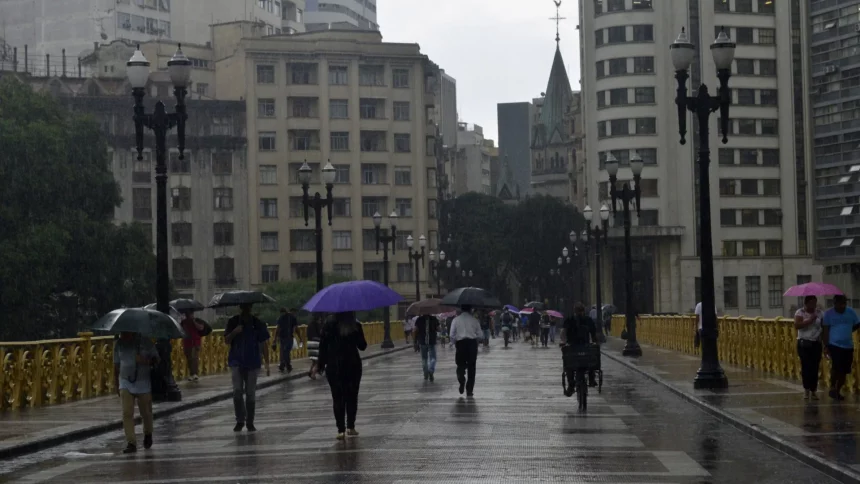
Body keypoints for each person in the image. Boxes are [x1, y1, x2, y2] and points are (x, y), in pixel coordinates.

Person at [312, 312, 367, 440]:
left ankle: (340, 430)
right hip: (352, 365)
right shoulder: (355, 325)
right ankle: (351, 427)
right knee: (352, 396)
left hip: (334, 366)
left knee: (337, 397)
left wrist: (319, 365)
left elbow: (323, 347)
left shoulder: (328, 326)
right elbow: (362, 346)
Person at [224, 304, 271, 432]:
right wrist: (235, 332)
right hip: (236, 361)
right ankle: (240, 419)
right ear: (240, 308)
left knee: (250, 394)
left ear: (251, 308)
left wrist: (267, 363)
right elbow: (226, 340)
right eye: (243, 307)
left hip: (253, 362)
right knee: (237, 392)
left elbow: (264, 342)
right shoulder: (233, 321)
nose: (246, 310)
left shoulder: (257, 323)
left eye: (248, 307)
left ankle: (250, 421)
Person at [113, 331, 159, 453]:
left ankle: (148, 433)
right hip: (125, 382)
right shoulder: (119, 344)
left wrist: (145, 361)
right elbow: (116, 365)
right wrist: (116, 383)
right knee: (127, 412)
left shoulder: (145, 342)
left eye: (125, 332)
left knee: (146, 413)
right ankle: (131, 442)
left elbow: (156, 359)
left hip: (143, 383)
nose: (122, 334)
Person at [822, 295, 860, 401]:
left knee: (844, 370)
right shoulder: (828, 314)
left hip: (848, 345)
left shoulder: (851, 312)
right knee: (836, 366)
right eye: (840, 304)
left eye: (844, 303)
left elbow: (857, 324)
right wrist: (826, 346)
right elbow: (825, 331)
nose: (843, 306)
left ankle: (837, 391)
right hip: (834, 345)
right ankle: (833, 386)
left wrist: (848, 330)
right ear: (835, 303)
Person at [562, 303, 599, 396]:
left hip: (572, 347)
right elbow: (593, 333)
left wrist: (563, 342)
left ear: (575, 311)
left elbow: (564, 332)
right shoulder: (588, 320)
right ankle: (591, 378)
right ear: (583, 311)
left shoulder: (570, 320)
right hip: (585, 346)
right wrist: (595, 341)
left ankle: (571, 385)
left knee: (569, 366)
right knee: (591, 361)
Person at [794, 295, 823, 401]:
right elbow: (797, 325)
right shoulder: (800, 312)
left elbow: (823, 325)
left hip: (816, 343)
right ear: (806, 303)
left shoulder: (819, 313)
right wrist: (810, 320)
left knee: (815, 367)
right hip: (804, 343)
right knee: (806, 367)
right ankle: (806, 389)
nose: (813, 305)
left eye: (814, 303)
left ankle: (814, 390)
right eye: (811, 303)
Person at [450, 306, 482, 396]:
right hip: (472, 344)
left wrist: (454, 343)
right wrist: (477, 341)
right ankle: (469, 390)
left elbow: (452, 334)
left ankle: (461, 379)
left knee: (460, 365)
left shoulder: (456, 320)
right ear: (470, 309)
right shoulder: (474, 320)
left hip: (460, 344)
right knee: (472, 367)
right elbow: (480, 334)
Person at [273, 307, 299, 373]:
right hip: (286, 337)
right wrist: (275, 339)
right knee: (285, 351)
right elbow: (296, 328)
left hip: (285, 337)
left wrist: (275, 339)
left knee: (284, 351)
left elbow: (278, 329)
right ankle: (286, 365)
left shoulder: (284, 318)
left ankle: (284, 364)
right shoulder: (290, 317)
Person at [180, 311, 204, 381]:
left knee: (194, 358)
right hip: (187, 342)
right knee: (189, 358)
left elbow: (201, 328)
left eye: (190, 314)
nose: (188, 315)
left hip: (195, 342)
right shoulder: (183, 322)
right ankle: (191, 373)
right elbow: (181, 330)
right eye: (187, 314)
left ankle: (195, 374)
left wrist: (194, 321)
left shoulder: (197, 320)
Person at [414, 314, 439, 381]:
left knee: (424, 358)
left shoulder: (419, 319)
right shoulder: (434, 319)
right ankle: (431, 370)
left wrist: (415, 341)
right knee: (433, 358)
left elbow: (415, 330)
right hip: (432, 341)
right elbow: (438, 329)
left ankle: (425, 374)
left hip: (422, 341)